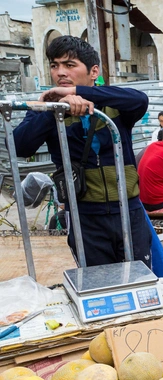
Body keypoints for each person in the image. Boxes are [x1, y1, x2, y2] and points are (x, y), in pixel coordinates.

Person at [13, 35, 152, 268]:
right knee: (97, 287)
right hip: (84, 217)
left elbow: (140, 100)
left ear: (93, 71)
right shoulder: (46, 108)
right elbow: (20, 145)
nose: (60, 72)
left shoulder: (113, 104)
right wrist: (56, 109)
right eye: (54, 65)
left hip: (129, 212)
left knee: (140, 282)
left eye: (69, 65)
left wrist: (83, 94)